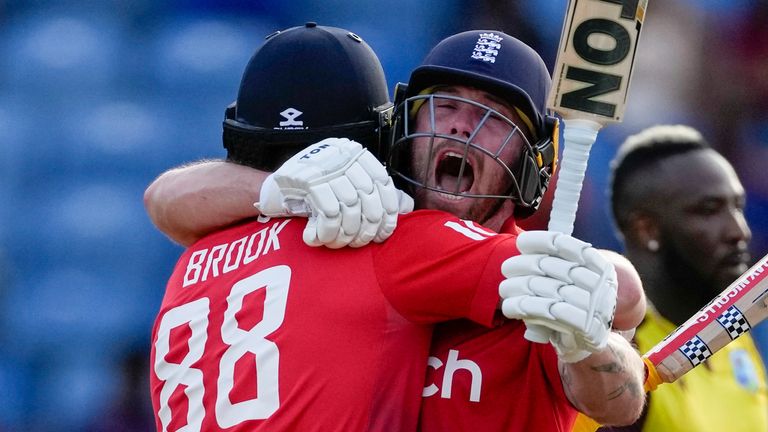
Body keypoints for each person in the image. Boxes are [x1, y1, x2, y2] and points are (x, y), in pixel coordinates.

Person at [146, 27, 646, 431]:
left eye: (491, 116)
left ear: (531, 159)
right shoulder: (373, 240)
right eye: (444, 106)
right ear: (399, 129)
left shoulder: (198, 254)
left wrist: (590, 342)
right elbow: (622, 292)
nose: (459, 128)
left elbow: (621, 400)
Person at [599, 124, 768, 431]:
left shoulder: (736, 336)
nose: (739, 231)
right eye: (709, 210)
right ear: (647, 230)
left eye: (738, 207)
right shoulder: (617, 352)